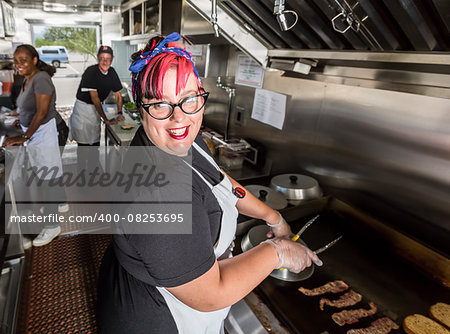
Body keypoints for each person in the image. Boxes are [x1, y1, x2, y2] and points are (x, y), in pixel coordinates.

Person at [96, 33, 322, 333]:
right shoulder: (158, 196)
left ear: (200, 96)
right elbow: (210, 294)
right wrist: (277, 252)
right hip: (157, 317)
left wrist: (273, 216)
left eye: (188, 99)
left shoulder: (183, 138)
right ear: (140, 106)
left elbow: (220, 179)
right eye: (160, 104)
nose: (178, 118)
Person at [3, 44, 64, 247]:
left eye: (23, 60)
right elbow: (29, 108)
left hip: (43, 135)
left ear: (35, 60)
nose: (19, 64)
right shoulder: (28, 79)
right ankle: (53, 209)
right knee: (45, 177)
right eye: (16, 60)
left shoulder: (41, 79)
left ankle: (52, 226)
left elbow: (42, 111)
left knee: (49, 179)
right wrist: (21, 118)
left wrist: (25, 136)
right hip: (35, 134)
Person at [68, 45, 124, 172]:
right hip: (83, 111)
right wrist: (106, 119)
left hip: (95, 112)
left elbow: (118, 94)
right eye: (102, 58)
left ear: (112, 59)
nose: (105, 62)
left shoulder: (112, 72)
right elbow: (95, 99)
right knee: (83, 146)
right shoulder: (91, 72)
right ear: (98, 58)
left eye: (108, 58)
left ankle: (94, 172)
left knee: (94, 144)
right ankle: (81, 173)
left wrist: (120, 112)